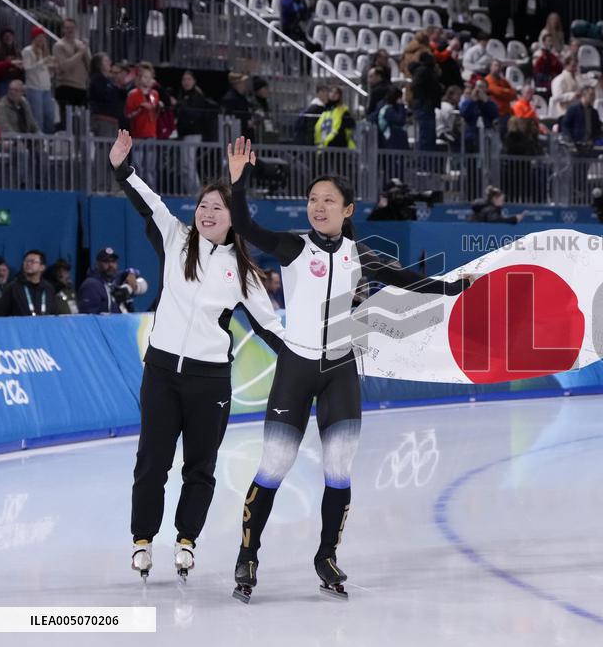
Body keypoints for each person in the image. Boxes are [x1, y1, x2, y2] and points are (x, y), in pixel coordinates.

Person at [226, 138, 471, 602]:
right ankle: (248, 554)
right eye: (313, 200)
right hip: (296, 368)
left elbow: (408, 281)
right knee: (274, 466)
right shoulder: (293, 248)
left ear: (347, 209)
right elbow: (244, 225)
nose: (318, 207)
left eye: (328, 201)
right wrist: (239, 180)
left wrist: (453, 287)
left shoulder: (360, 255)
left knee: (338, 470)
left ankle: (326, 555)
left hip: (340, 369)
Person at [107, 130, 285, 582]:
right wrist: (122, 168)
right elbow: (149, 202)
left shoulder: (242, 271)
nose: (207, 213)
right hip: (163, 372)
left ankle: (187, 540)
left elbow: (269, 326)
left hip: (210, 382)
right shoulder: (176, 239)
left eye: (218, 207)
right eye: (203, 205)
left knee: (200, 467)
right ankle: (142, 540)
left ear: (232, 218)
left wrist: (299, 363)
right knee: (152, 462)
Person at [77, 246, 147, 314]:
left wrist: (132, 273)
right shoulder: (91, 285)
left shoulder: (115, 278)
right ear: (97, 264)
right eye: (106, 261)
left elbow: (133, 272)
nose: (111, 265)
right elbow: (89, 318)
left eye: (113, 261)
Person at [52, 18, 91, 125]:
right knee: (66, 123)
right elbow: (64, 67)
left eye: (72, 28)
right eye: (67, 28)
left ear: (76, 29)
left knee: (81, 123)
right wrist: (80, 53)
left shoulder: (81, 45)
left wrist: (86, 50)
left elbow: (90, 66)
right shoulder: (59, 46)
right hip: (65, 87)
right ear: (62, 30)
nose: (70, 30)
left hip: (81, 88)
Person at [0, 250, 57, 316]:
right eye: (26, 261)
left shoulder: (48, 289)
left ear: (42, 267)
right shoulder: (13, 288)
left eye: (32, 261)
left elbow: (55, 313)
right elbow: (0, 315)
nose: (28, 264)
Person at [21, 26, 56, 133]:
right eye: (39, 37)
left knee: (49, 116)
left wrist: (52, 69)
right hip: (34, 88)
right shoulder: (27, 51)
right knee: (38, 118)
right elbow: (27, 68)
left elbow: (45, 72)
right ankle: (38, 144)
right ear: (34, 38)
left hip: (46, 88)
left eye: (43, 37)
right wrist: (43, 62)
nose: (41, 39)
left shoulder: (43, 51)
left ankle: (49, 142)